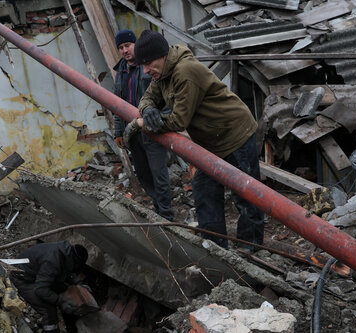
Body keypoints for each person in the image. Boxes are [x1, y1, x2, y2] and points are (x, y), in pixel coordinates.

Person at [124, 30, 264, 251]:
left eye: (148, 63)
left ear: (162, 56)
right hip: (211, 141)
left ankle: (251, 250)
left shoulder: (185, 71)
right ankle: (217, 249)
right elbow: (148, 97)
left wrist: (143, 123)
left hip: (235, 133)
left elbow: (179, 120)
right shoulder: (162, 74)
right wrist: (148, 109)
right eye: (142, 65)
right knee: (204, 192)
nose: (146, 70)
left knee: (246, 195)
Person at [112, 28, 174, 221]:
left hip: (150, 130)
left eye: (128, 45)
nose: (125, 50)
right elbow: (116, 104)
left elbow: (164, 97)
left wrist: (160, 120)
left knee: (159, 176)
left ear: (136, 45)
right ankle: (158, 210)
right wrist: (118, 131)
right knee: (144, 175)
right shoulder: (121, 72)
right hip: (132, 133)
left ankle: (166, 217)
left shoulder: (147, 67)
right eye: (121, 47)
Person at [10, 241, 89, 333]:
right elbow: (41, 290)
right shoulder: (52, 261)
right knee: (49, 310)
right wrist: (61, 301)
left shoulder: (65, 252)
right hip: (22, 279)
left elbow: (66, 273)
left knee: (64, 290)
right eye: (77, 266)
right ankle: (51, 330)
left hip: (35, 275)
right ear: (74, 261)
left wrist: (79, 283)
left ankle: (71, 327)